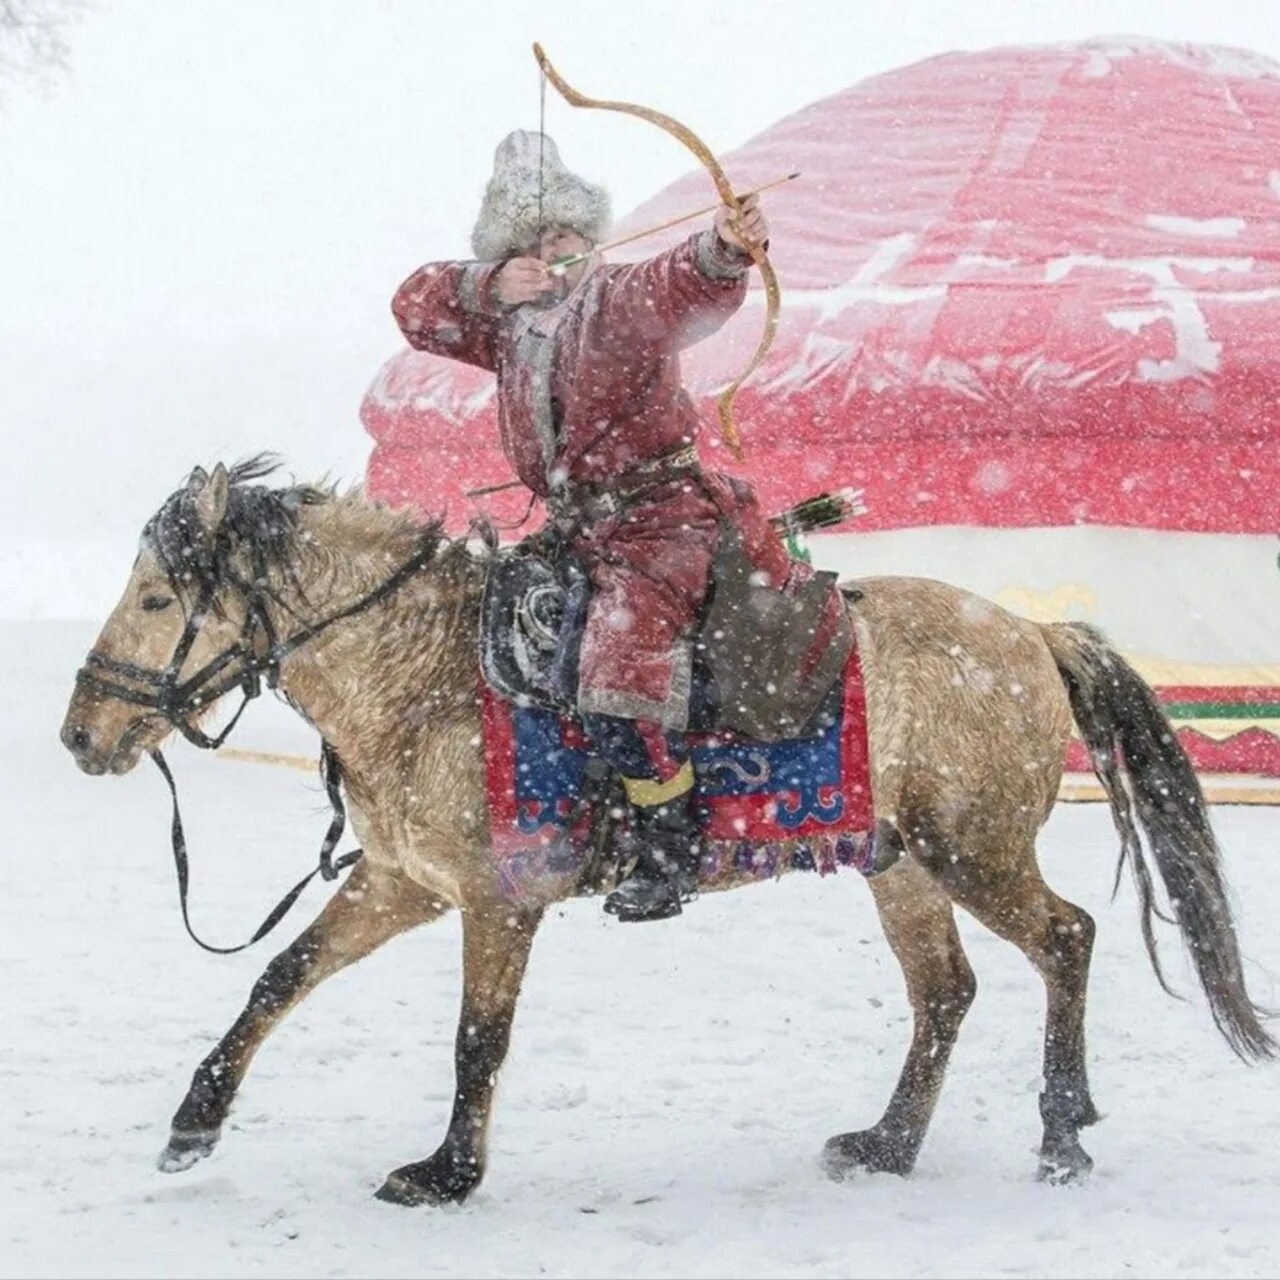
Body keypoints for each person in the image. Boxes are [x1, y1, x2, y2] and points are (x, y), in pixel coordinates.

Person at [392, 130, 805, 923]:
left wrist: (723, 248)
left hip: (661, 523)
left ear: (589, 236)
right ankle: (568, 814)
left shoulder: (617, 299)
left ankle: (669, 842)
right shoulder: (509, 322)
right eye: (533, 243)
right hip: (577, 531)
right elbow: (413, 308)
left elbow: (683, 283)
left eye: (566, 236)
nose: (554, 252)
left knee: (619, 665)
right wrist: (485, 285)